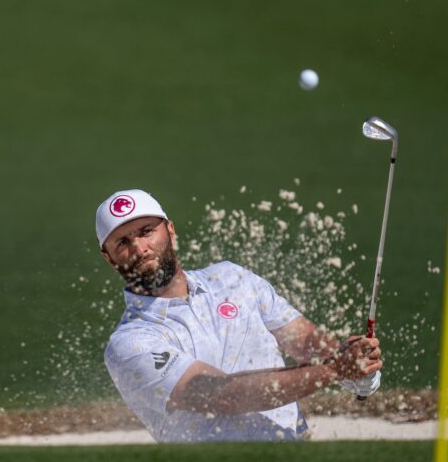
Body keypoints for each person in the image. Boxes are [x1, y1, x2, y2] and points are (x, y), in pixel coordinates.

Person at [96, 189, 383, 442]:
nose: (139, 247)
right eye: (122, 242)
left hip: (295, 461)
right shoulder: (129, 344)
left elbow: (304, 340)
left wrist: (353, 363)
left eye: (147, 231)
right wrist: (334, 370)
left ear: (170, 230)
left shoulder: (231, 278)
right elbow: (223, 394)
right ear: (108, 257)